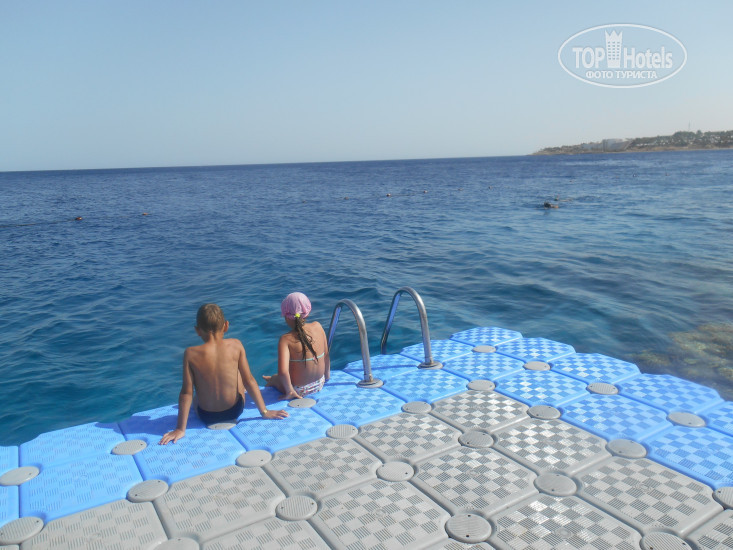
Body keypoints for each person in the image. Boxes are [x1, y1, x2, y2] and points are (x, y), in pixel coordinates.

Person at [160, 303, 287, 444]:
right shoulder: (236, 345)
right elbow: (249, 381)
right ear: (226, 326)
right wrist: (264, 412)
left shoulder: (190, 354)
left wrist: (180, 429)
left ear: (197, 330)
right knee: (238, 373)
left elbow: (186, 393)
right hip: (234, 410)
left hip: (206, 416)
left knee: (195, 396)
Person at [263, 292, 330, 399]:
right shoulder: (318, 326)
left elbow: (283, 372)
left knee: (276, 379)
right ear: (307, 312)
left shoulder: (285, 339)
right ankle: (273, 379)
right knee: (278, 377)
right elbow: (326, 355)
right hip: (319, 383)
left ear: (287, 317)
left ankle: (272, 380)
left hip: (298, 390)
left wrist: (290, 391)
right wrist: (327, 377)